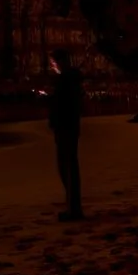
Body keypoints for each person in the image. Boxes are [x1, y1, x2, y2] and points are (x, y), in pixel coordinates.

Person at [46, 50, 86, 219]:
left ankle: (73, 209)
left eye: (54, 62)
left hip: (65, 127)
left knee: (67, 167)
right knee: (68, 167)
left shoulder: (66, 80)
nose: (53, 66)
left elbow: (63, 105)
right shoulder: (70, 79)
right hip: (68, 127)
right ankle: (73, 207)